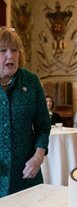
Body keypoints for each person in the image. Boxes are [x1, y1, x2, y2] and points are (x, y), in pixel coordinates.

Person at [0, 27, 51, 198]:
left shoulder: (31, 81)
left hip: (26, 172)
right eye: (3, 50)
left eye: (14, 50)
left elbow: (43, 126)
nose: (10, 55)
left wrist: (38, 157)